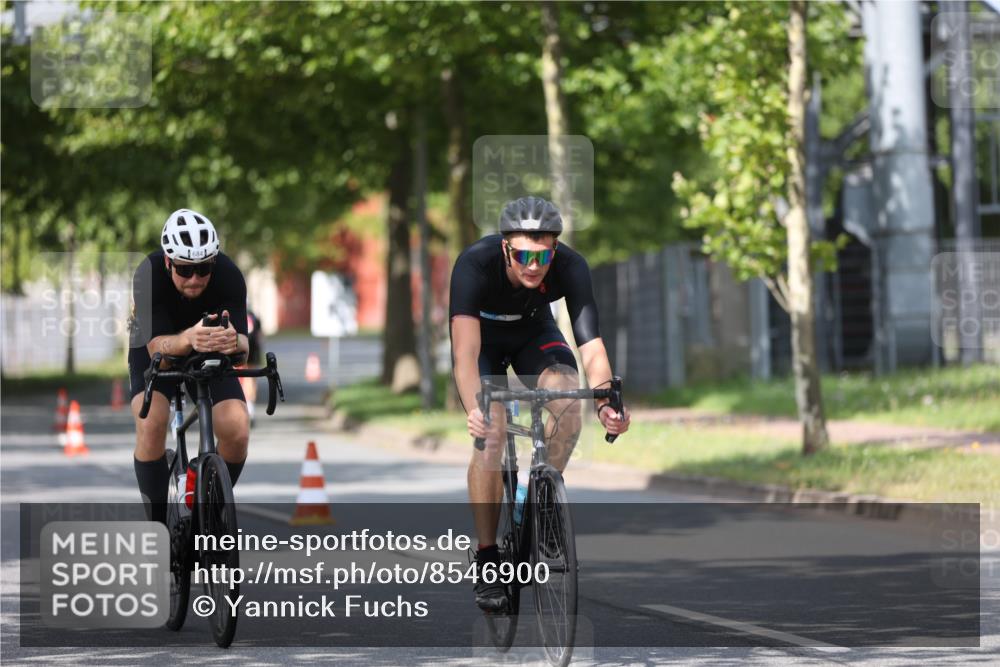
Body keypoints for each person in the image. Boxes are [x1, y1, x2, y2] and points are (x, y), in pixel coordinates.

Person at [448, 196, 631, 612]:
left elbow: (591, 345)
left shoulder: (571, 266)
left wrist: (606, 402)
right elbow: (464, 353)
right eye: (524, 255)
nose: (534, 265)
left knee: (569, 400)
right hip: (483, 342)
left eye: (543, 255)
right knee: (492, 434)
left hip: (534, 332)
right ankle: (488, 556)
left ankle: (543, 499)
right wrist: (476, 409)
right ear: (505, 248)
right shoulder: (474, 265)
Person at [128, 208, 250, 524]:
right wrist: (189, 338)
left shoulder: (229, 275)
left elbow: (244, 348)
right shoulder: (148, 274)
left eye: (203, 268)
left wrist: (234, 343)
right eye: (184, 269)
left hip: (208, 349)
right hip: (158, 346)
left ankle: (209, 509)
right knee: (151, 423)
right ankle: (157, 525)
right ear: (168, 262)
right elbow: (157, 349)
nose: (194, 279)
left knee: (236, 427)